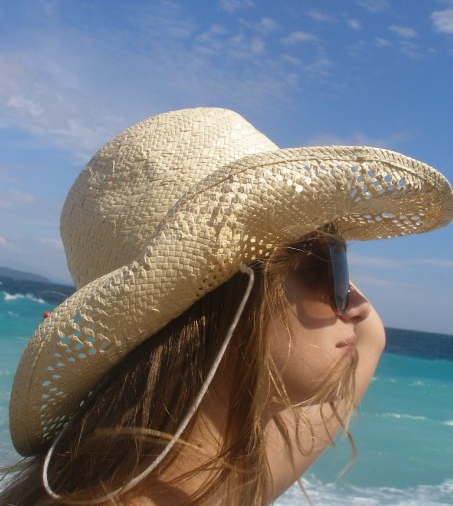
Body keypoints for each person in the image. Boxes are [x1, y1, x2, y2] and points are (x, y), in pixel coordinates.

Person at [2, 107, 452, 506]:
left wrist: (316, 249)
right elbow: (370, 335)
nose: (356, 305)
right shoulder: (237, 480)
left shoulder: (223, 473)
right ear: (231, 293)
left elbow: (370, 337)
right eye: (324, 268)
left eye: (337, 264)